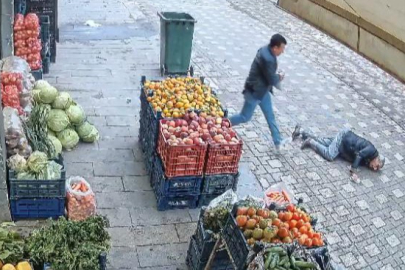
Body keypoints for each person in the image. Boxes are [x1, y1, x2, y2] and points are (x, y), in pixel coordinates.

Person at [229, 33, 290, 152]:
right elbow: (271, 79)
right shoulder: (268, 59)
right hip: (254, 91)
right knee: (244, 117)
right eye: (282, 48)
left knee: (270, 116)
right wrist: (279, 76)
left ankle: (278, 142)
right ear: (275, 48)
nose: (282, 51)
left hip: (262, 91)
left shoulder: (265, 50)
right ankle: (224, 123)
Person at [292, 124, 385, 183]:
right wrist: (353, 171)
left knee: (323, 142)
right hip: (343, 138)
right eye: (377, 166)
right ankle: (310, 141)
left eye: (376, 169)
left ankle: (300, 131)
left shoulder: (369, 159)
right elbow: (359, 155)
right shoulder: (372, 150)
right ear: (377, 159)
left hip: (344, 144)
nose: (375, 168)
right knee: (330, 155)